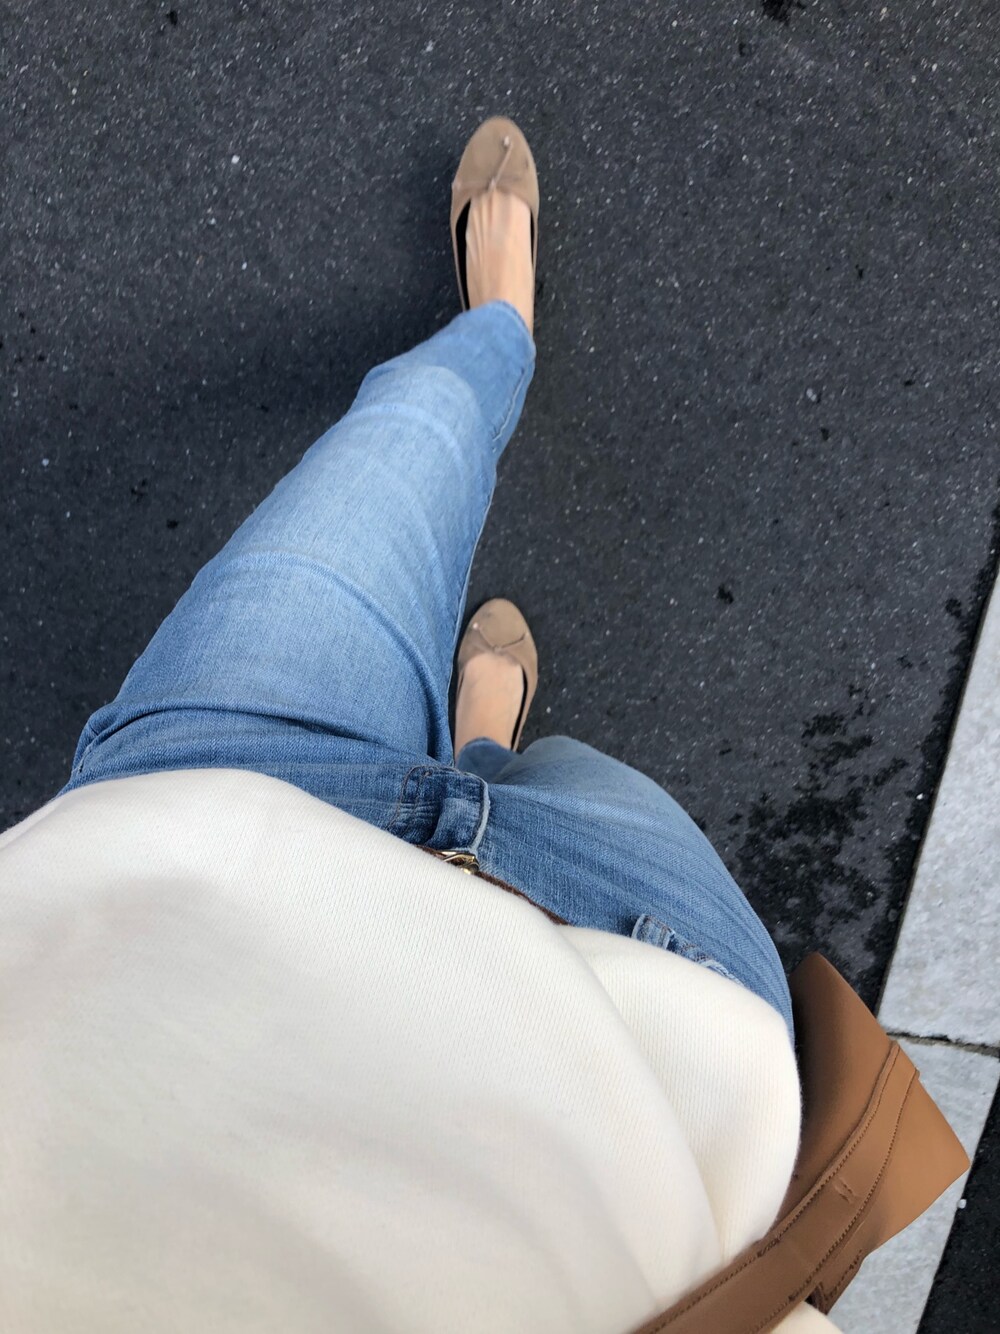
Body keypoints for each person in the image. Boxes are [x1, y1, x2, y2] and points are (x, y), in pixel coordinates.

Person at [0, 118, 837, 1332]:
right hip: (656, 1012)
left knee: (414, 422)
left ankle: (499, 331)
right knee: (542, 760)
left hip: (201, 843)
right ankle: (481, 747)